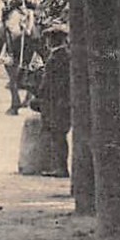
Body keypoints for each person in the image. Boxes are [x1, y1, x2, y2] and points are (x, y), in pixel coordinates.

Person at [31, 24, 71, 176]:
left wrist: (38, 96)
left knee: (57, 135)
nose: (46, 42)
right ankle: (59, 166)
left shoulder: (54, 58)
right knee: (59, 135)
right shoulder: (66, 55)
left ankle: (60, 168)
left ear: (53, 40)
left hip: (56, 102)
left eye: (48, 39)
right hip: (63, 101)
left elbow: (47, 83)